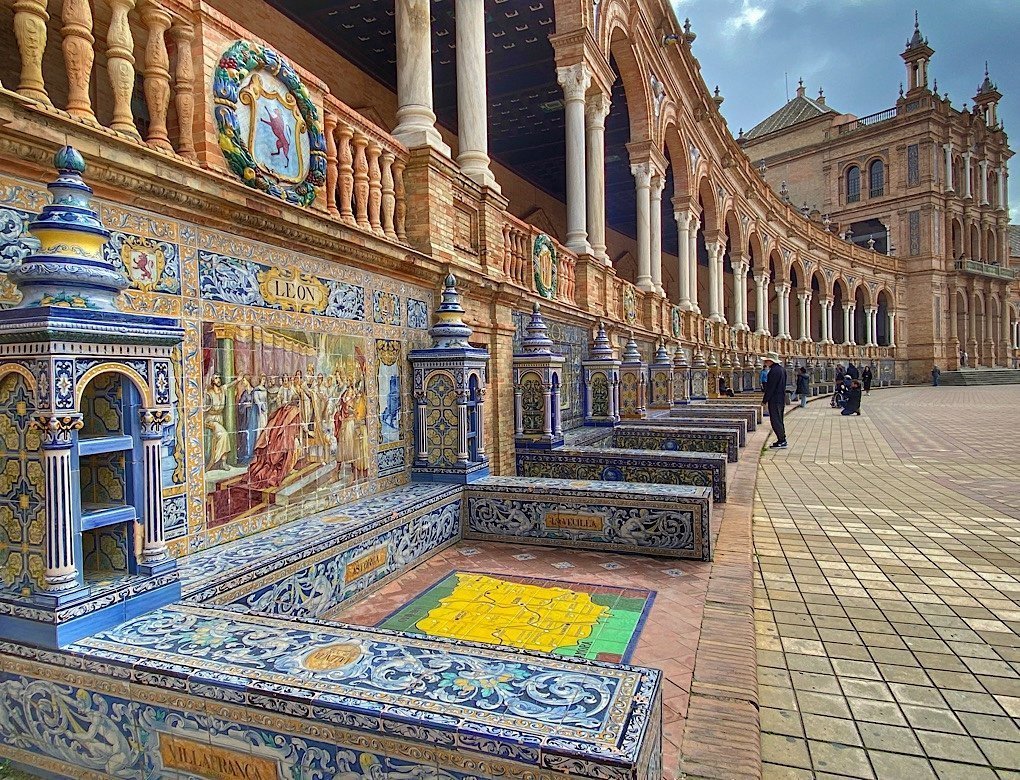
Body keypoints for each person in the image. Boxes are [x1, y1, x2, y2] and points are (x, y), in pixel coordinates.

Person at [762, 352, 788, 449]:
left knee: (775, 420)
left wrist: (765, 400)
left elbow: (770, 387)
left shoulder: (773, 371)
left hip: (775, 399)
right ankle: (781, 439)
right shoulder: (782, 370)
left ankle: (782, 440)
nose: (765, 362)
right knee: (779, 419)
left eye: (766, 360)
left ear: (770, 361)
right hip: (781, 398)